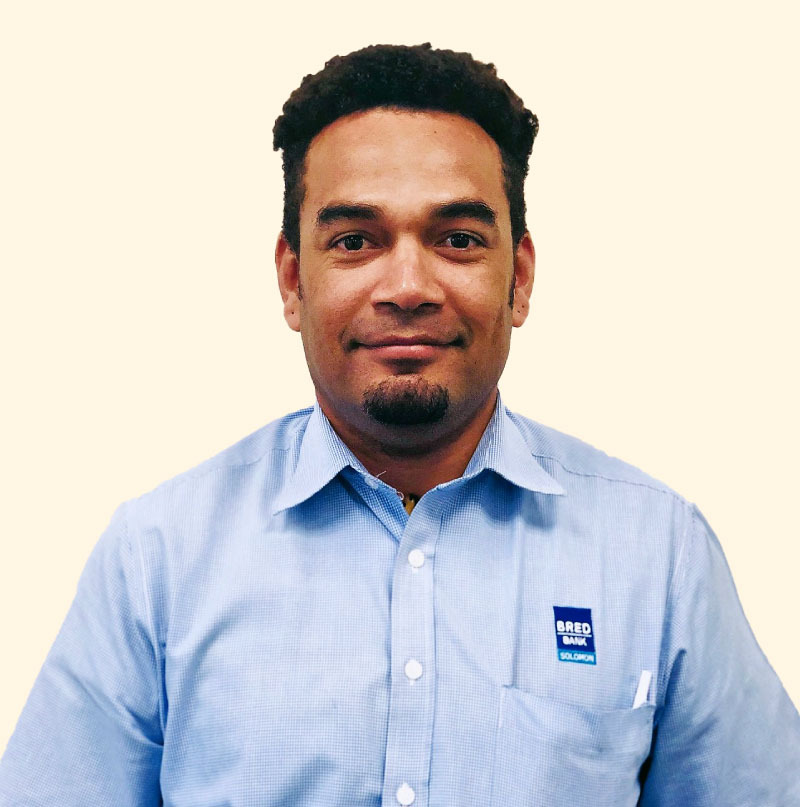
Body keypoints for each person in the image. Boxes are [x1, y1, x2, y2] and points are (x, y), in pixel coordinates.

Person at [0, 42, 798, 807]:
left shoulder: (657, 556)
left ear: (519, 278)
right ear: (292, 279)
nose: (409, 286)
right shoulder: (158, 558)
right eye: (356, 241)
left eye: (457, 239)